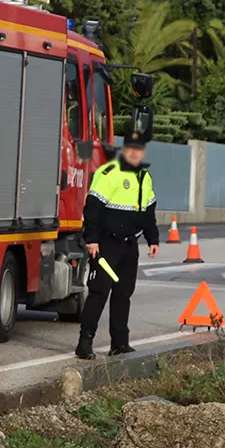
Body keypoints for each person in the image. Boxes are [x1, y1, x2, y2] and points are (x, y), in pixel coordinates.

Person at [76, 133, 160, 359]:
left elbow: (148, 212)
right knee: (99, 293)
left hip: (129, 245)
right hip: (106, 243)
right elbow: (92, 208)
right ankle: (84, 344)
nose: (134, 153)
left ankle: (120, 343)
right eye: (130, 149)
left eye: (139, 150)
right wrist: (91, 239)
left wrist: (153, 239)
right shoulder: (109, 173)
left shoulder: (145, 176)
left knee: (124, 294)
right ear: (124, 150)